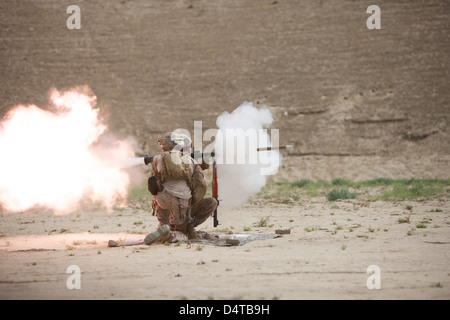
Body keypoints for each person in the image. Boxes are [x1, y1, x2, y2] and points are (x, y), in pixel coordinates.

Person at [144, 132, 218, 245]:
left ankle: (164, 226)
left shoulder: (156, 160)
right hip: (180, 204)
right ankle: (172, 234)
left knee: (162, 196)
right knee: (183, 233)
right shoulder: (190, 161)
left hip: (161, 205)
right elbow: (200, 187)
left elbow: (154, 185)